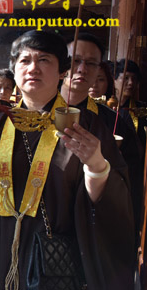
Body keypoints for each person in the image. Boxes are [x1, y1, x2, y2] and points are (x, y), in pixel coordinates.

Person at [0, 30, 135, 290]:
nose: (33, 68)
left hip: (54, 256)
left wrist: (96, 164)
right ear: (14, 69)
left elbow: (110, 206)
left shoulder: (86, 126)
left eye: (44, 60)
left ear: (62, 71)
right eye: (24, 61)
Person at [60, 32, 143, 243]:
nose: (82, 69)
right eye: (75, 61)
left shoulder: (111, 121)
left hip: (92, 229)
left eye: (91, 63)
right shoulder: (36, 115)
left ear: (99, 69)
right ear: (61, 64)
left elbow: (130, 182)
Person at [114, 59, 147, 147]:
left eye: (134, 79)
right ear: (114, 80)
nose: (131, 83)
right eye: (126, 78)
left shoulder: (141, 109)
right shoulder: (105, 106)